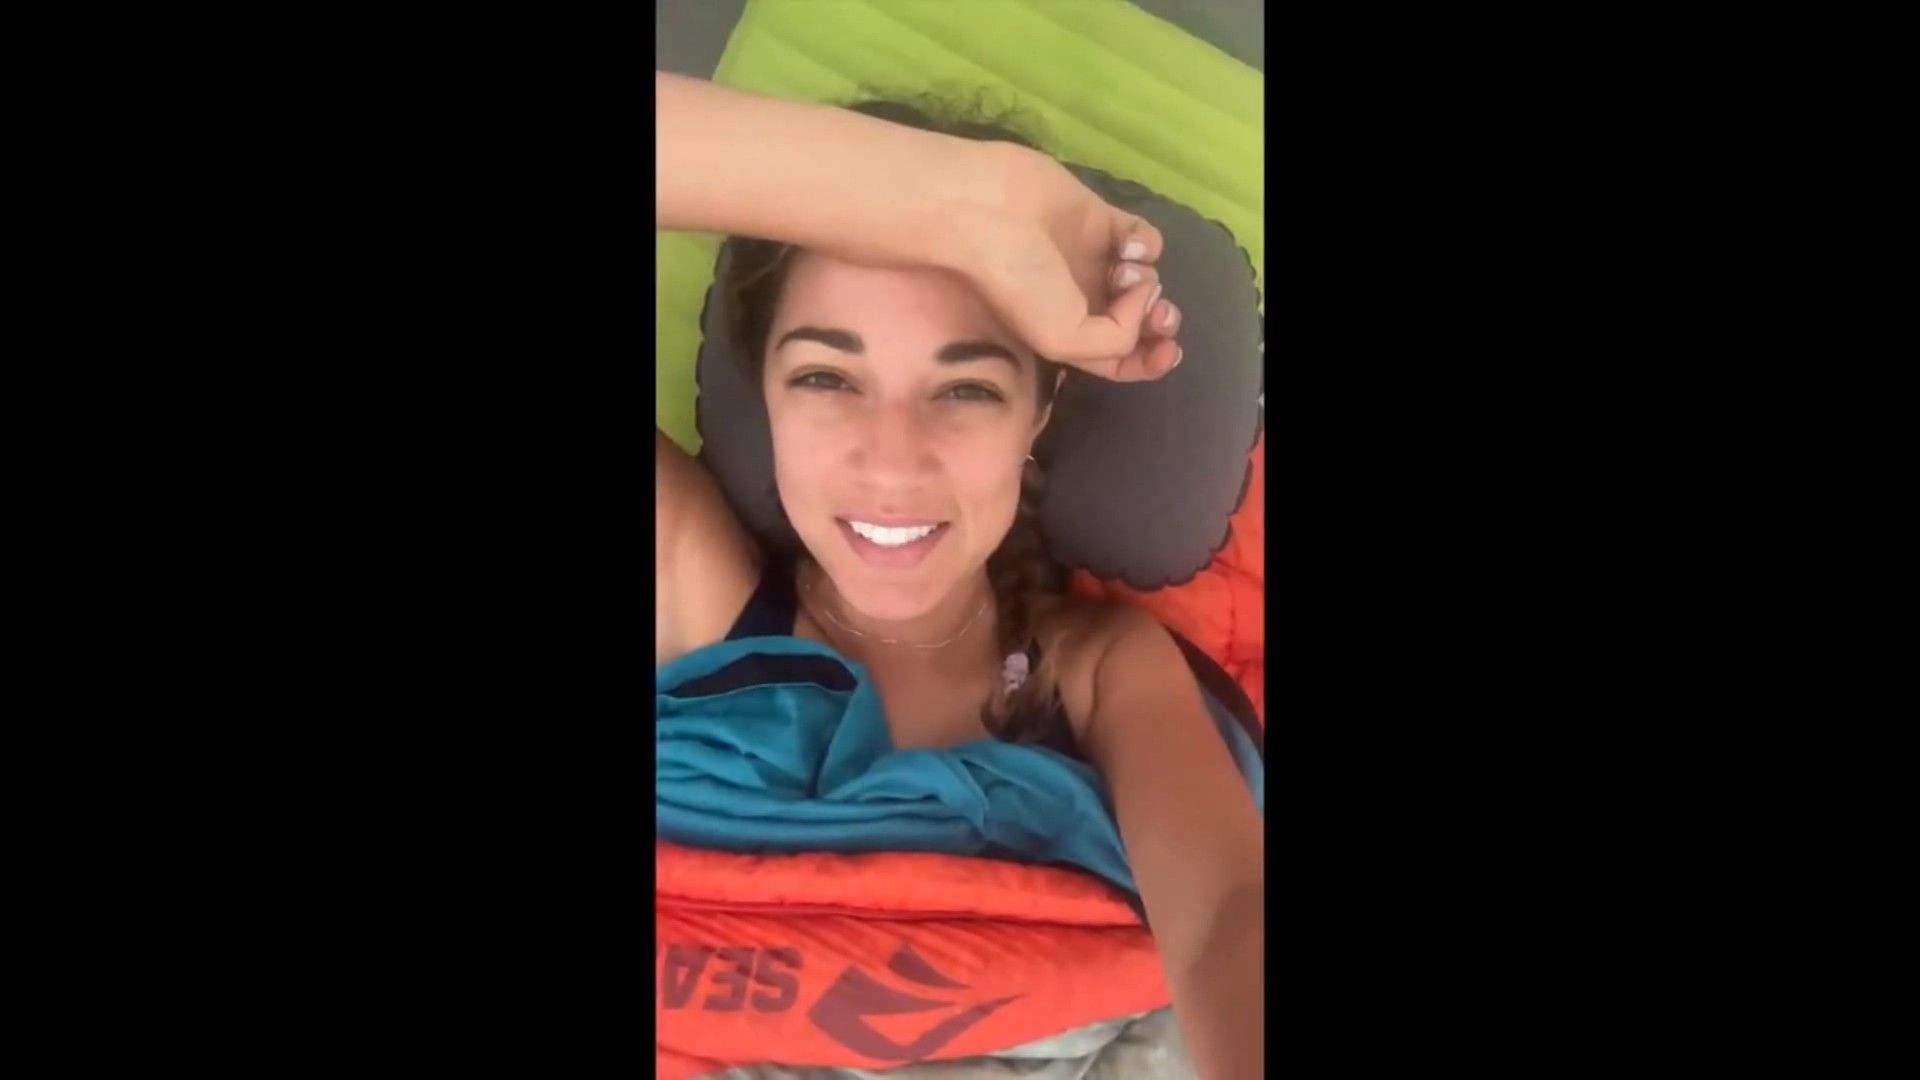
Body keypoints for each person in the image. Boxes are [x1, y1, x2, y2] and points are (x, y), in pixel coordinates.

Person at [654, 72, 1263, 1080]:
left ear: (1039, 412)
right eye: (825, 376)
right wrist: (942, 196)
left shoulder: (1098, 673)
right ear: (762, 390)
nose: (893, 466)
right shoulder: (685, 584)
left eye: (967, 388)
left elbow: (1229, 918)